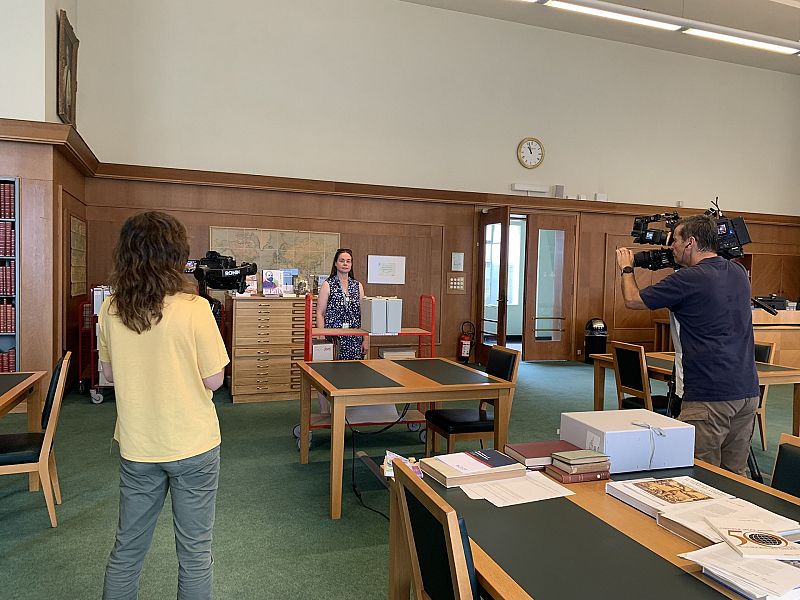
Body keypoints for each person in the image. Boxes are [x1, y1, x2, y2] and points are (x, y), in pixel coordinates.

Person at [99, 212, 229, 600]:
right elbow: (214, 380)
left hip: (139, 445)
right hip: (194, 445)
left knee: (127, 551)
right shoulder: (195, 308)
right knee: (195, 555)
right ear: (176, 254)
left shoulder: (111, 309)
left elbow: (109, 375)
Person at [615, 214, 759, 475]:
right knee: (735, 476)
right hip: (747, 391)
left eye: (675, 241)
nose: (671, 247)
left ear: (690, 243)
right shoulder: (738, 272)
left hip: (709, 394)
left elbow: (633, 300)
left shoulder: (687, 279)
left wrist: (627, 267)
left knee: (699, 474)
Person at [316, 248, 369, 360]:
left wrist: (366, 339)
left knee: (355, 369)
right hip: (334, 338)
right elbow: (320, 313)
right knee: (333, 369)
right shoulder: (328, 284)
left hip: (354, 339)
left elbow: (364, 315)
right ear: (335, 263)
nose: (345, 263)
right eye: (342, 260)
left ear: (351, 264)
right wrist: (321, 337)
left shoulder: (357, 286)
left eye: (348, 261)